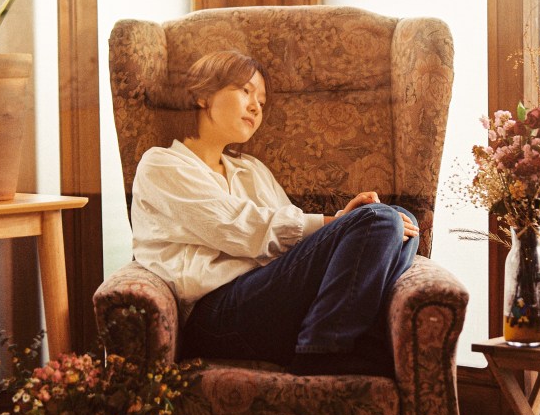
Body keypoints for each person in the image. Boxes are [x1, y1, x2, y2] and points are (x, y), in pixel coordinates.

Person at [131, 50, 419, 376]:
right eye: (245, 91)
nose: (256, 106)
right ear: (201, 95)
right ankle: (322, 350)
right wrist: (343, 224)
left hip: (272, 299)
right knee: (378, 219)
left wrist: (345, 226)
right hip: (215, 315)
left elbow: (291, 243)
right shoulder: (162, 164)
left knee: (399, 216)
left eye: (262, 102)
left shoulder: (251, 170)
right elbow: (242, 228)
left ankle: (340, 338)